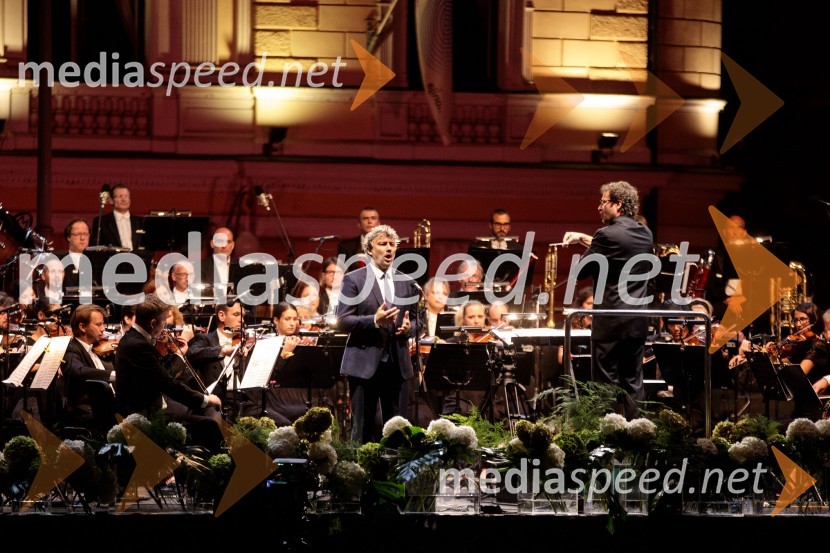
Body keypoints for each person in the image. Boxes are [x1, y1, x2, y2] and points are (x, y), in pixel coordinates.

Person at [563, 180, 654, 419]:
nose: (599, 207)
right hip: (637, 322)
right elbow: (621, 248)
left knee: (605, 387)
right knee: (633, 383)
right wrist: (586, 239)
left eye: (603, 202)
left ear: (618, 204)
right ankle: (637, 434)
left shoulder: (605, 234)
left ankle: (608, 437)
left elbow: (580, 272)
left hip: (610, 323)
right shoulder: (645, 233)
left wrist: (588, 243)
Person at [336, 224, 420, 443]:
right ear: (369, 249)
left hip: (398, 365)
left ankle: (395, 465)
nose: (389, 248)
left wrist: (409, 329)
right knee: (362, 430)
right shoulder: (354, 279)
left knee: (398, 432)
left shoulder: (407, 282)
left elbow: (418, 321)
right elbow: (343, 321)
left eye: (392, 244)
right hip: (364, 364)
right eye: (382, 244)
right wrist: (375, 320)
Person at [115, 293, 224, 452]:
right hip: (148, 417)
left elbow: (160, 373)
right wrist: (206, 399)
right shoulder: (139, 346)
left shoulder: (132, 338)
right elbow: (168, 384)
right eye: (164, 322)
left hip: (153, 408)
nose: (166, 327)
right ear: (153, 323)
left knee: (204, 413)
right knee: (210, 425)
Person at [58, 304, 116, 431]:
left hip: (108, 408)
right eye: (98, 324)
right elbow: (78, 371)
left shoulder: (98, 348)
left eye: (103, 324)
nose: (103, 329)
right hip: (89, 415)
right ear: (82, 327)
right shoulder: (71, 348)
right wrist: (113, 375)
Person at [91, 183, 143, 250]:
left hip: (137, 256)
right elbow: (96, 246)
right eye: (120, 196)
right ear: (111, 200)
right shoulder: (101, 221)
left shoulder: (140, 221)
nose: (124, 200)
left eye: (126, 196)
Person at [337, 207, 380, 272]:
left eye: (373, 218)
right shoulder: (345, 246)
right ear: (359, 224)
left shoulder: (389, 246)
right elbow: (340, 272)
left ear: (379, 224)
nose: (369, 221)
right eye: (365, 218)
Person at [59, 218, 95, 292]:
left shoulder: (95, 261)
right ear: (68, 237)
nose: (82, 238)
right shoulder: (59, 261)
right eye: (78, 234)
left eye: (85, 234)